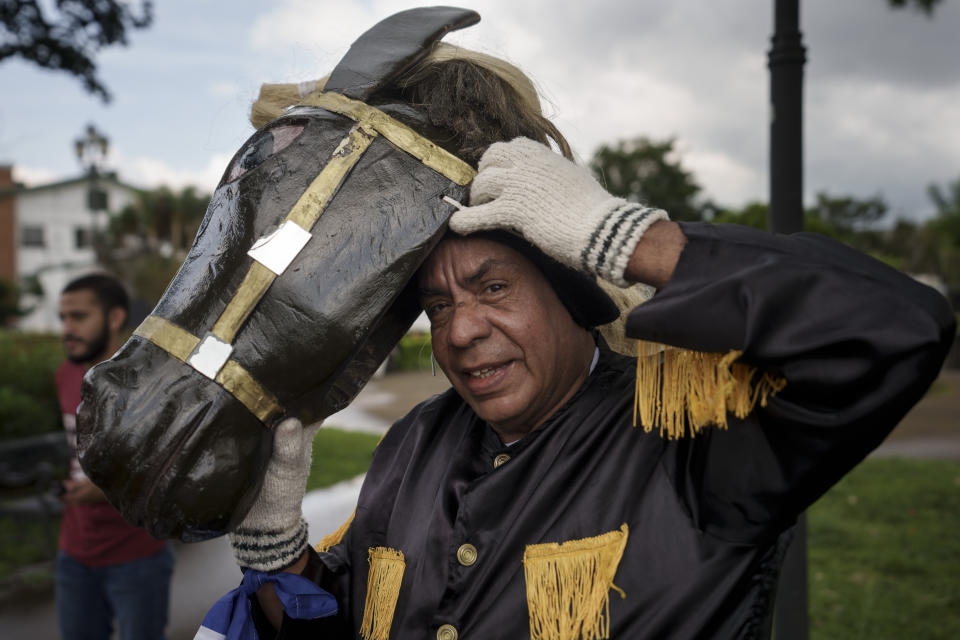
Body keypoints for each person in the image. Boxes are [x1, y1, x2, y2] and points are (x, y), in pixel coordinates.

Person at [209, 46, 955, 640]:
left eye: (493, 288)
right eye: (437, 306)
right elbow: (344, 621)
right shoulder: (415, 442)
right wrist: (276, 545)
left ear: (570, 290)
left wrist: (631, 238)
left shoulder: (690, 434)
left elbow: (898, 328)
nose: (460, 330)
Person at [56, 274, 174, 640]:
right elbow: (74, 449)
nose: (67, 329)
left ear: (114, 318)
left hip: (137, 556)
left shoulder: (145, 380)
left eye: (79, 317)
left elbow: (169, 467)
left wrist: (105, 488)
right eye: (63, 318)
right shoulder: (65, 374)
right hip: (73, 553)